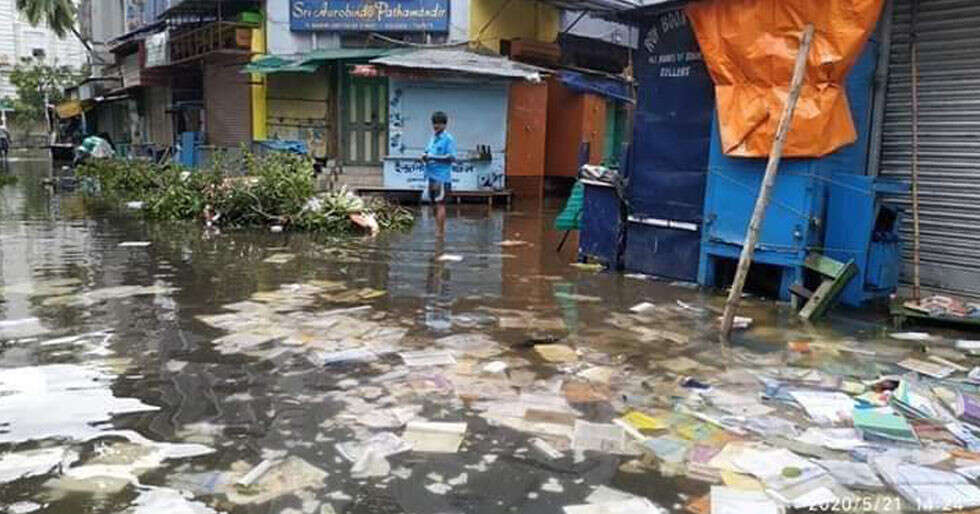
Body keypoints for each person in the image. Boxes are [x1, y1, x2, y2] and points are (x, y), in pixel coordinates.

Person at [420, 111, 456, 204]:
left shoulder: (448, 139)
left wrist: (432, 157)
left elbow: (451, 157)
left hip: (442, 177)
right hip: (431, 176)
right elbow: (428, 151)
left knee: (440, 204)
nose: (436, 126)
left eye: (439, 123)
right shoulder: (433, 138)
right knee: (434, 205)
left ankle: (441, 219)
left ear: (445, 125)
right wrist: (424, 156)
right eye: (434, 123)